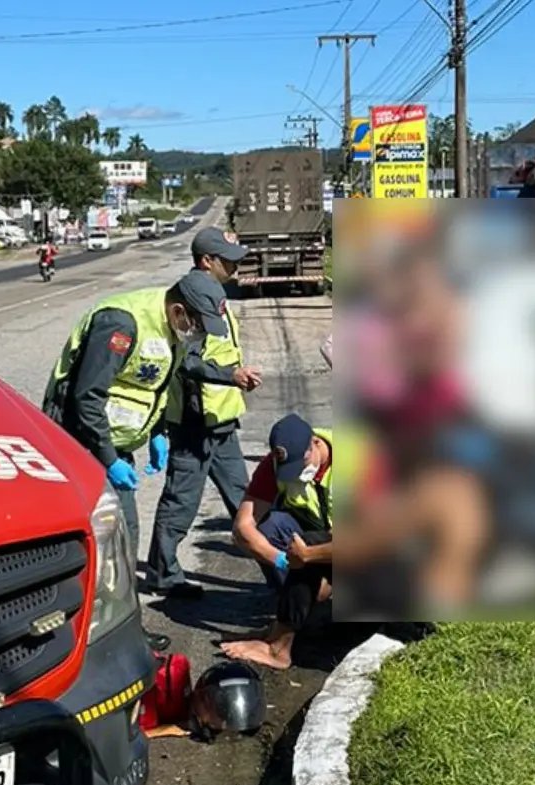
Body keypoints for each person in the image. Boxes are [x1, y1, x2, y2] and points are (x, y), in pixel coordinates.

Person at [42, 270, 233, 650]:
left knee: (117, 539)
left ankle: (108, 629)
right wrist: (109, 458)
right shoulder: (121, 322)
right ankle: (112, 635)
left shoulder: (173, 329)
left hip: (112, 445)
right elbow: (86, 397)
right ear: (179, 311)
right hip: (79, 445)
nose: (198, 335)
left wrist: (157, 431)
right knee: (114, 538)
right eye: (198, 325)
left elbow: (155, 384)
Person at [145, 227, 263, 599]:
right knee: (181, 502)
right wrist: (231, 376)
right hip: (195, 423)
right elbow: (187, 363)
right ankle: (163, 575)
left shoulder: (216, 294)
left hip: (221, 421)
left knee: (247, 500)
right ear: (207, 261)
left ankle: (280, 573)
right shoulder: (192, 299)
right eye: (228, 260)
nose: (235, 266)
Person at [223, 414, 332, 669]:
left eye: (301, 463)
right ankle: (294, 614)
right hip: (321, 543)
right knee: (269, 526)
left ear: (315, 443)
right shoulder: (274, 464)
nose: (297, 474)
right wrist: (283, 561)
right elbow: (242, 527)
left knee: (308, 543)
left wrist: (308, 556)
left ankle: (279, 648)